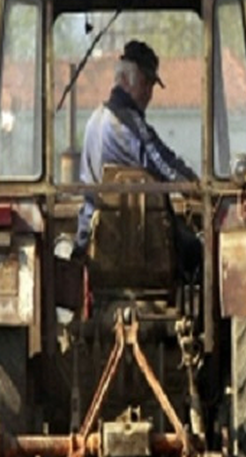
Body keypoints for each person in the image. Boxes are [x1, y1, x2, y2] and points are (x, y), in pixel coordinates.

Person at [73, 40, 202, 279]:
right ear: (127, 80)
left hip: (96, 235)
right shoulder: (127, 123)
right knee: (200, 252)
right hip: (137, 238)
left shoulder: (95, 119)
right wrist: (195, 187)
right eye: (146, 83)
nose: (149, 94)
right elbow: (164, 165)